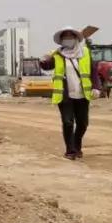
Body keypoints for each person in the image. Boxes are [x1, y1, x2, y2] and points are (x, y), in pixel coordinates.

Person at [40, 27, 101, 160]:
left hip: (82, 94)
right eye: (65, 37)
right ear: (61, 41)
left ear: (76, 38)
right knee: (68, 122)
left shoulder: (85, 52)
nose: (68, 39)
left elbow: (93, 71)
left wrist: (96, 87)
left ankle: (77, 145)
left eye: (70, 36)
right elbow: (46, 66)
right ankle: (70, 150)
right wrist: (43, 59)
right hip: (65, 95)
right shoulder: (57, 55)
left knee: (83, 123)